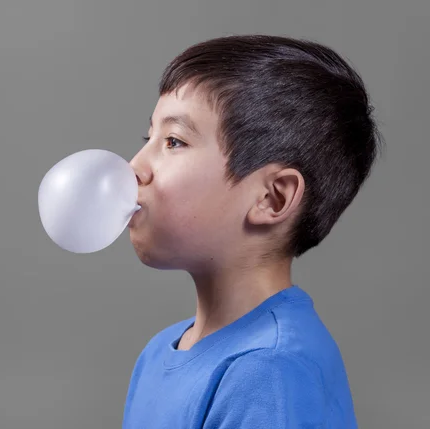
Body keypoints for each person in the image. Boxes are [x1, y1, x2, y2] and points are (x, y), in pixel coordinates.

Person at [122, 34, 381, 428]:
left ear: (272, 199)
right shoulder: (159, 352)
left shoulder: (270, 372)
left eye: (174, 141)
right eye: (149, 138)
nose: (134, 167)